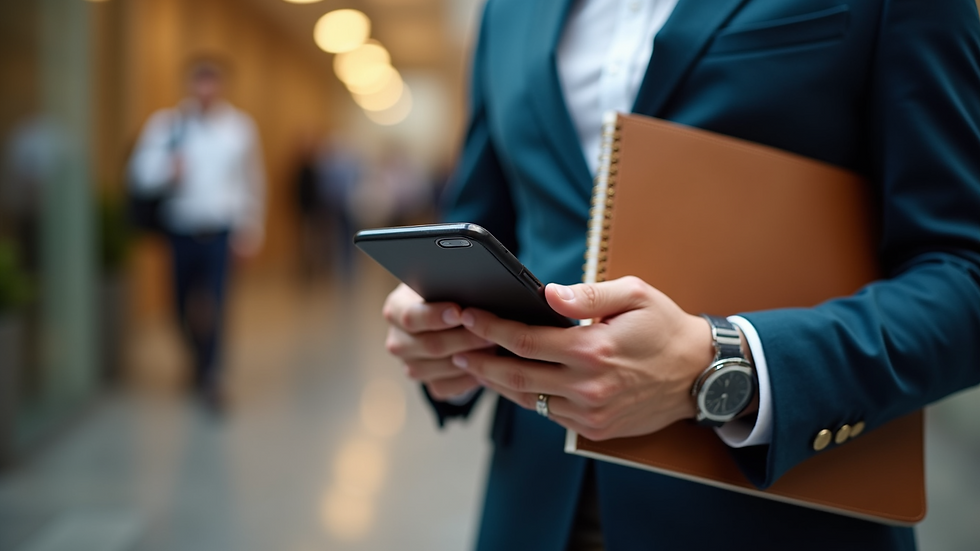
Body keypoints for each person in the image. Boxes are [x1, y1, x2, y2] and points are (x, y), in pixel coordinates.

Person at [381, 0, 980, 550]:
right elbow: (489, 226)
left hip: (777, 516)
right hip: (531, 510)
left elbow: (964, 273)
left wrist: (725, 366)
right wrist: (445, 335)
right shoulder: (507, 11)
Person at [129, 57, 265, 407]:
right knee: (178, 305)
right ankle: (197, 357)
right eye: (199, 82)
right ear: (189, 85)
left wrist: (251, 230)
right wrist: (167, 170)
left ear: (222, 86)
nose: (205, 90)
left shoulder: (239, 128)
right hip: (180, 230)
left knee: (217, 303)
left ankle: (212, 374)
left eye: (212, 82)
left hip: (220, 231)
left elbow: (251, 182)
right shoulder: (168, 125)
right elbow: (139, 175)